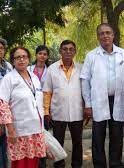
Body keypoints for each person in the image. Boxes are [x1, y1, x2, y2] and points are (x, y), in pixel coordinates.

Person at [80, 23, 124, 167]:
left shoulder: (123, 53)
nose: (105, 36)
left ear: (113, 35)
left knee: (117, 136)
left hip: (118, 100)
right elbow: (85, 80)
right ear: (98, 37)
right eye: (102, 33)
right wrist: (88, 104)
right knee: (98, 136)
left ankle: (115, 164)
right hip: (98, 101)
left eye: (108, 32)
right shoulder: (91, 56)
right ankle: (99, 165)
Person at [0, 46, 46, 168]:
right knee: (20, 163)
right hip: (19, 130)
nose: (21, 60)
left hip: (37, 128)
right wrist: (10, 129)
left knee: (34, 160)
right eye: (17, 57)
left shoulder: (34, 78)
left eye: (24, 57)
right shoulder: (9, 79)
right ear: (13, 61)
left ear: (29, 59)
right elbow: (3, 105)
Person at [43, 40, 84, 168]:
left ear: (75, 52)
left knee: (77, 142)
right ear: (60, 51)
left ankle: (77, 165)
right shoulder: (52, 69)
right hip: (58, 112)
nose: (68, 51)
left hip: (77, 111)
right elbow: (47, 92)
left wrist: (88, 107)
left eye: (71, 49)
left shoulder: (81, 68)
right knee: (58, 142)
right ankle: (59, 165)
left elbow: (86, 91)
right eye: (65, 49)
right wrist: (46, 112)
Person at [28, 46, 50, 168]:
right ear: (36, 55)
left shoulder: (50, 70)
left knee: (43, 135)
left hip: (45, 108)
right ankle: (33, 161)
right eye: (40, 53)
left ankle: (42, 162)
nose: (42, 56)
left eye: (45, 54)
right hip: (30, 108)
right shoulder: (28, 69)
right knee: (33, 136)